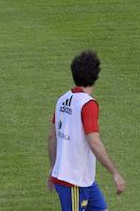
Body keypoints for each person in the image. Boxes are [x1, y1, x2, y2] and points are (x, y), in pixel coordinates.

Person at [48, 50, 126, 210]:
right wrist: (115, 173)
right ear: (96, 76)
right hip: (73, 182)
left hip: (85, 181)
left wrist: (53, 168)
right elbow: (94, 142)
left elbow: (52, 137)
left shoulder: (62, 99)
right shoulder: (88, 104)